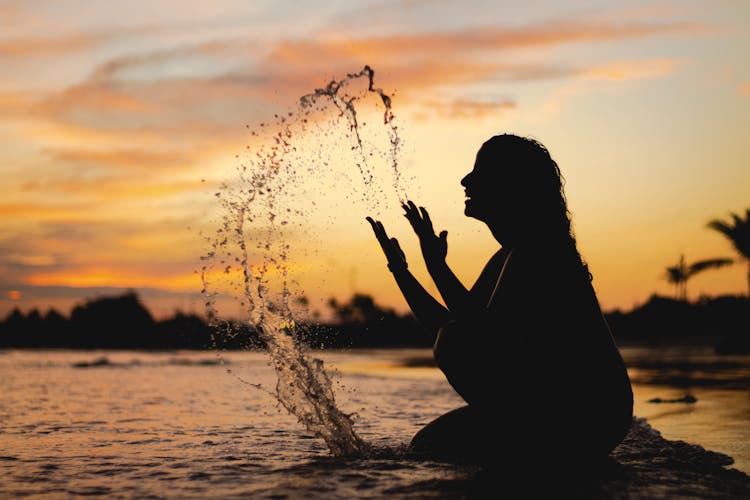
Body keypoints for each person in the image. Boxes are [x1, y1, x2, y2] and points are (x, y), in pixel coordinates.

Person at [366, 133, 633, 465]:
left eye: (479, 173)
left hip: (586, 418)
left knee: (455, 344)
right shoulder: (510, 252)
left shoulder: (538, 247)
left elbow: (477, 333)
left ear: (510, 185)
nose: (465, 180)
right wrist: (401, 270)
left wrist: (436, 265)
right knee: (427, 445)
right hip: (566, 414)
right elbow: (446, 324)